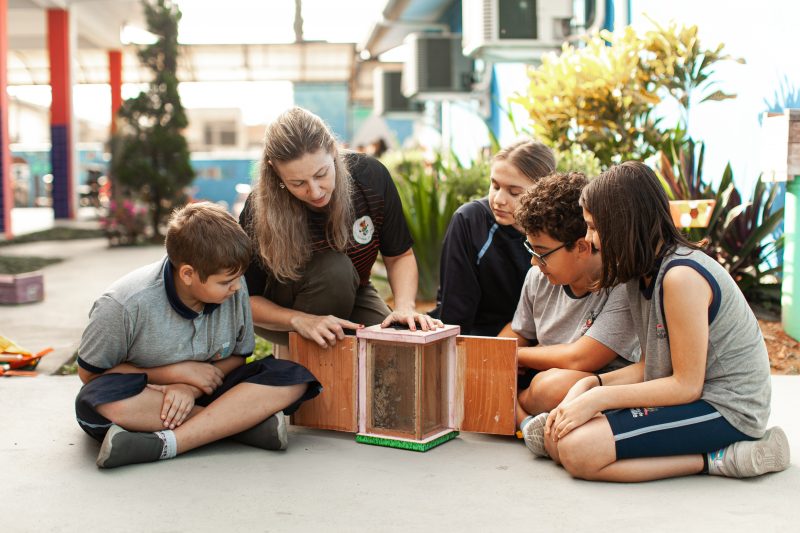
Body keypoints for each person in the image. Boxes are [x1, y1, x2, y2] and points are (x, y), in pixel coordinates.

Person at [522, 161, 790, 481]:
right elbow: (651, 366)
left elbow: (685, 385)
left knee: (579, 451)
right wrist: (590, 384)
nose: (589, 239)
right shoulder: (640, 275)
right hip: (694, 400)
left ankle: (723, 459)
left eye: (594, 227)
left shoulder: (680, 277)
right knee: (560, 441)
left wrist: (598, 399)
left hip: (727, 410)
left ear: (622, 225)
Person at [74, 202, 321, 468]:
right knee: (98, 399)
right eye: (226, 282)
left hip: (208, 389)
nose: (237, 288)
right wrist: (175, 375)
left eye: (238, 278)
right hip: (149, 395)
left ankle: (164, 444)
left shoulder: (234, 286)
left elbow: (238, 358)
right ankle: (239, 425)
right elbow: (91, 374)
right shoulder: (122, 305)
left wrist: (189, 388)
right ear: (188, 274)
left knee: (294, 379)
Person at [240, 107, 441, 349]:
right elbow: (244, 299)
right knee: (335, 270)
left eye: (321, 174)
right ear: (275, 171)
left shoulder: (370, 178)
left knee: (392, 345)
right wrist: (299, 320)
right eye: (297, 183)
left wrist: (404, 308)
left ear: (334, 151)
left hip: (353, 291)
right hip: (283, 310)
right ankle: (302, 360)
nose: (314, 191)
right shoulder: (259, 208)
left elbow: (399, 256)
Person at [510, 172, 639, 426]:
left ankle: (519, 416)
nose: (534, 262)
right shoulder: (537, 277)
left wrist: (519, 356)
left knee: (553, 385)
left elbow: (581, 358)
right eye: (531, 250)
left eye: (542, 253)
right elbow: (517, 333)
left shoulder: (621, 285)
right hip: (548, 381)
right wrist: (495, 357)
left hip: (602, 386)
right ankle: (527, 424)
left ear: (581, 247)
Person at [430, 139, 556, 336]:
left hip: (539, 342)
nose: (498, 200)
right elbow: (455, 312)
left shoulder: (560, 230)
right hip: (475, 339)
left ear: (543, 190)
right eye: (495, 186)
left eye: (514, 192)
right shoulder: (470, 221)